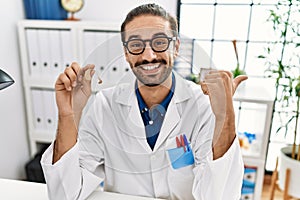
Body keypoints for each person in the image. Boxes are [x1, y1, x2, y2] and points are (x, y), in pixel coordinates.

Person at [41, 3, 248, 200]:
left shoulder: (203, 105)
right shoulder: (105, 105)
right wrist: (68, 115)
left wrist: (225, 115)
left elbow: (219, 196)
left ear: (175, 47)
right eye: (136, 45)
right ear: (126, 53)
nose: (148, 56)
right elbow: (65, 194)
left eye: (159, 42)